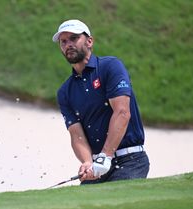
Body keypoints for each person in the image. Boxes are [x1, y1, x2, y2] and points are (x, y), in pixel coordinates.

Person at [52, 19, 150, 184]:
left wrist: (106, 155)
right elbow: (77, 135)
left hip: (130, 160)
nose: (68, 44)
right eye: (63, 41)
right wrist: (87, 162)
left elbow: (122, 112)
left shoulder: (111, 67)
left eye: (74, 38)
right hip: (97, 166)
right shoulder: (64, 91)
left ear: (89, 41)